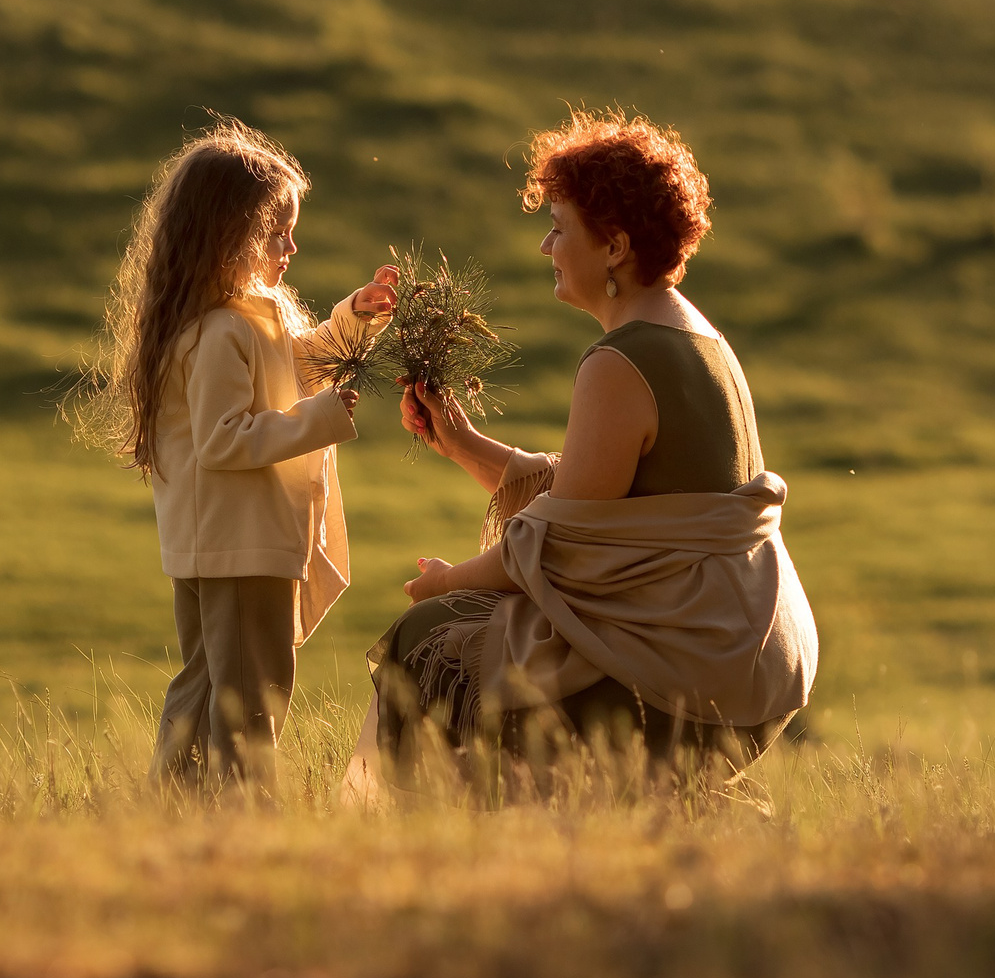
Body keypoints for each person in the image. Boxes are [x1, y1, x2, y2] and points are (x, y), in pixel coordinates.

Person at [346, 110, 817, 795]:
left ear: (616, 245)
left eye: (560, 226)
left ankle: (438, 853)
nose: (546, 244)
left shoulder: (619, 362)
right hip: (747, 658)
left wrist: (450, 581)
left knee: (429, 634)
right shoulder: (696, 334)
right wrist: (464, 443)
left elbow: (562, 546)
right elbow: (611, 504)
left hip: (689, 679)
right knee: (467, 626)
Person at [91, 119, 397, 789]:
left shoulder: (250, 315)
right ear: (229, 233)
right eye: (275, 230)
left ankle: (178, 805)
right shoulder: (222, 330)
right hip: (237, 541)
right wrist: (315, 421)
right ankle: (235, 812)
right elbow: (224, 438)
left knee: (213, 683)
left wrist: (357, 317)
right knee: (246, 693)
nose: (291, 245)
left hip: (235, 539)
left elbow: (302, 360)